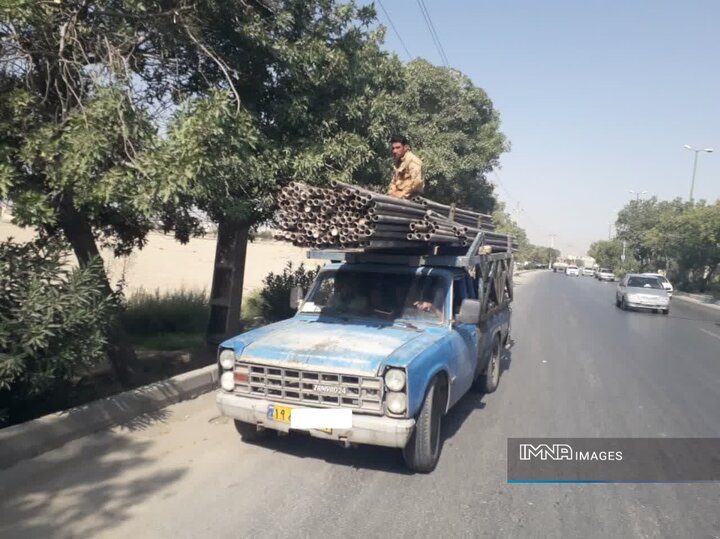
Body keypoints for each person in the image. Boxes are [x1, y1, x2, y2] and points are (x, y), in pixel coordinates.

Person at [388, 135, 424, 200]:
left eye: (398, 147)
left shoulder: (413, 161)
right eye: (393, 148)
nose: (394, 151)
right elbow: (393, 182)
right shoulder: (398, 162)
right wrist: (391, 194)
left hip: (411, 199)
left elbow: (416, 182)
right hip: (398, 199)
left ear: (406, 147)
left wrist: (401, 194)